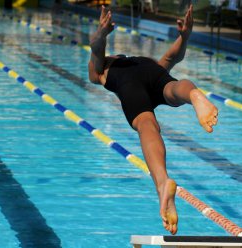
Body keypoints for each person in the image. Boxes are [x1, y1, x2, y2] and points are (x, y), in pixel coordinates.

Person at [88, 5, 218, 234]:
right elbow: (172, 56)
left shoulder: (102, 70)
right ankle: (193, 95)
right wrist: (184, 36)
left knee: (147, 124)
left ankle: (162, 183)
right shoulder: (144, 61)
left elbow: (96, 48)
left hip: (126, 82)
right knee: (173, 89)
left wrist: (102, 34)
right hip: (153, 71)